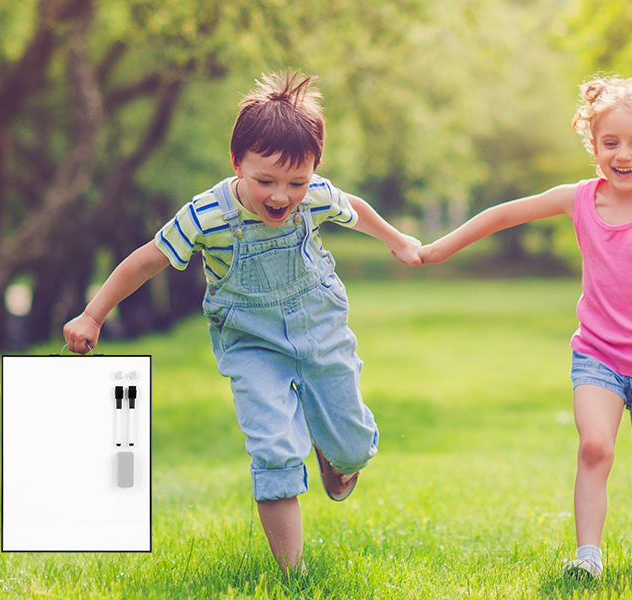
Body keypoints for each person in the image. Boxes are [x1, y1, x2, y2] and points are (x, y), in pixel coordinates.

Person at [62, 70, 422, 572]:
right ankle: (292, 576)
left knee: (355, 446)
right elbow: (147, 259)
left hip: (320, 329)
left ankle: (332, 451)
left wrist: (396, 239)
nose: (281, 196)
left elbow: (354, 210)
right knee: (273, 451)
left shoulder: (314, 195)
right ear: (237, 164)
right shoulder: (207, 215)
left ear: (314, 170)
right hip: (251, 343)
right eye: (265, 181)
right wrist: (93, 313)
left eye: (297, 182)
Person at [419, 74, 632, 579]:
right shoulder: (579, 198)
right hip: (598, 353)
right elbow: (503, 216)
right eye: (610, 142)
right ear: (593, 145)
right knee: (594, 447)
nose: (623, 154)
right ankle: (587, 557)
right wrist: (438, 248)